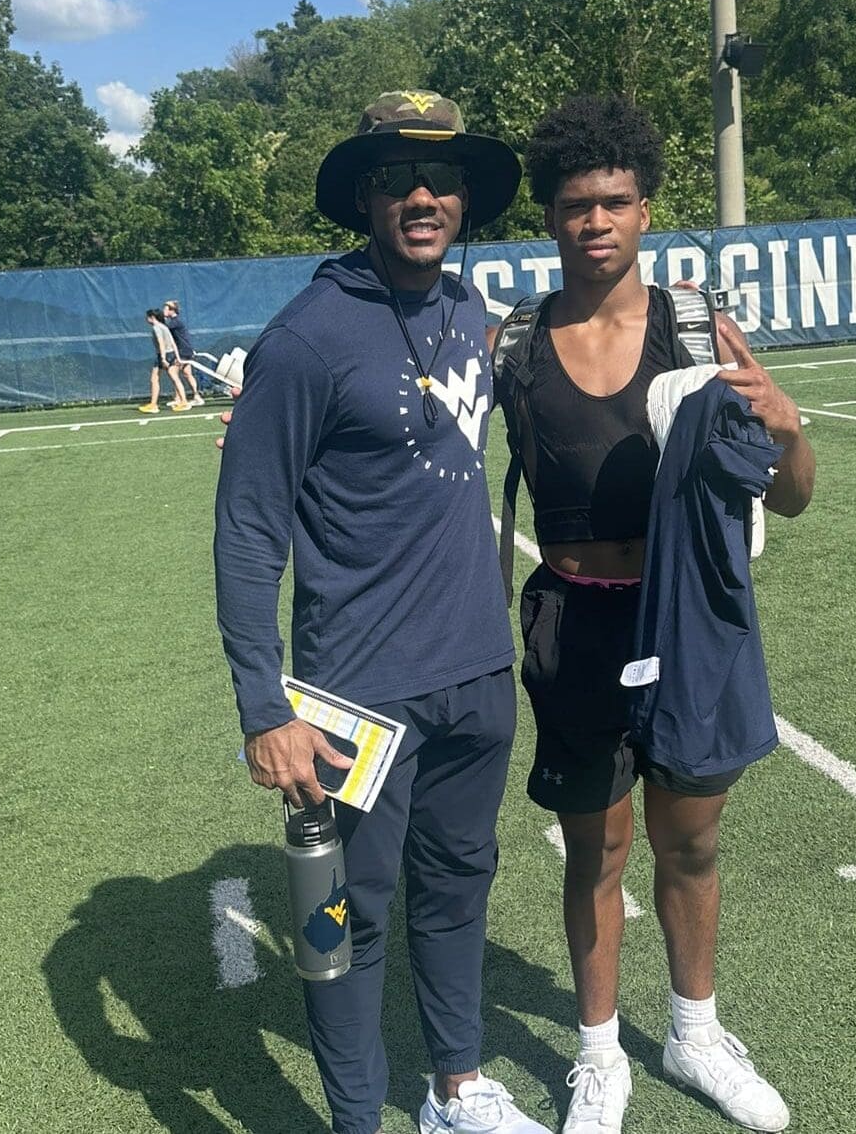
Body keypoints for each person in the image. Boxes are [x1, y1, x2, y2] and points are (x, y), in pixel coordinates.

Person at [214, 91, 550, 1134]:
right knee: (346, 918)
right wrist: (263, 706)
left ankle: (456, 1085)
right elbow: (245, 530)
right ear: (364, 194)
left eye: (441, 178)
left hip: (477, 670)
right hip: (356, 692)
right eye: (398, 176)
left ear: (463, 198)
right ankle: (357, 1119)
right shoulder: (305, 340)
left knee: (457, 888)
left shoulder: (470, 307)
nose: (422, 194)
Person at [499, 95, 815, 1134]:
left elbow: (792, 490)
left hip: (687, 624)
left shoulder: (694, 325)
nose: (595, 221)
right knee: (594, 851)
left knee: (691, 843)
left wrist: (787, 424)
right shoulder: (515, 343)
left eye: (614, 202)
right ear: (550, 217)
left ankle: (693, 1030)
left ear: (646, 207)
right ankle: (599, 1056)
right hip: (575, 621)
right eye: (574, 205)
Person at [141, 307, 193, 413]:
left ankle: (156, 405)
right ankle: (156, 404)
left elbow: (161, 343)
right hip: (171, 354)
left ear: (152, 317)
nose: (146, 319)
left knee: (157, 379)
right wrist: (177, 356)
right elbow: (173, 343)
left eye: (147, 317)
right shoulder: (164, 326)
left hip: (164, 355)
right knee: (171, 378)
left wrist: (163, 358)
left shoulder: (156, 328)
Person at [161, 299, 206, 406]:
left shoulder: (175, 322)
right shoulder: (174, 322)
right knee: (187, 373)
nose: (164, 310)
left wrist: (160, 319)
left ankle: (182, 399)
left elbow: (163, 328)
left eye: (166, 309)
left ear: (172, 310)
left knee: (172, 371)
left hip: (183, 351)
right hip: (186, 350)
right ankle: (193, 397)